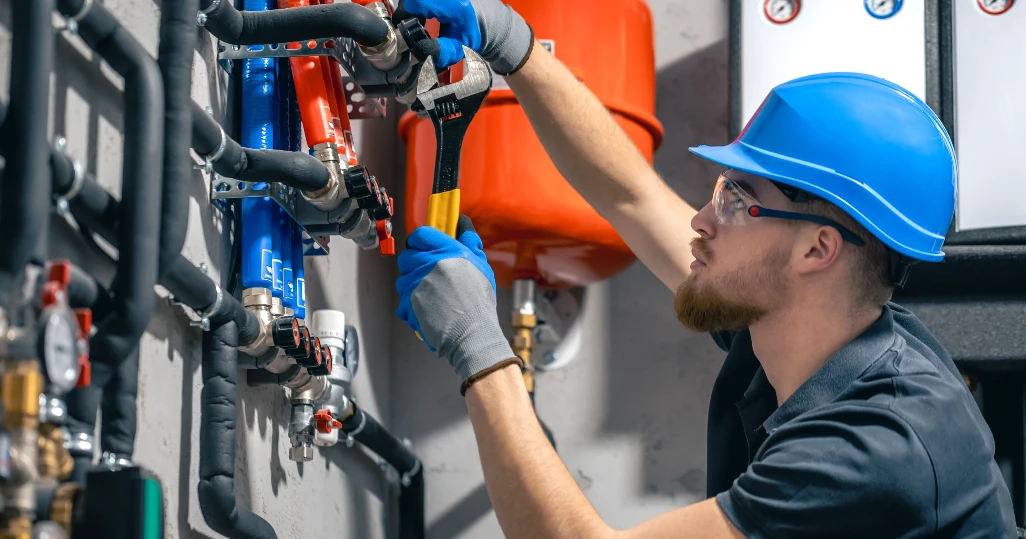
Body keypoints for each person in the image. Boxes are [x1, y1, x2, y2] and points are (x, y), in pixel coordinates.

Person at [393, 0, 1018, 537]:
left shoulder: (879, 449)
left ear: (817, 251)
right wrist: (513, 43)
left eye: (737, 201)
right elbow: (631, 194)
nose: (701, 219)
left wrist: (477, 346)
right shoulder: (808, 324)